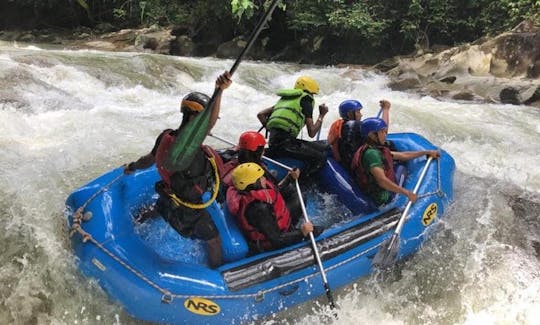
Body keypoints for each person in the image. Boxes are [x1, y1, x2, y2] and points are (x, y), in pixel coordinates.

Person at [123, 71, 232, 268]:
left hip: (168, 196)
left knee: (158, 210)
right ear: (193, 117)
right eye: (202, 118)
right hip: (187, 208)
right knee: (214, 240)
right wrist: (219, 91)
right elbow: (210, 123)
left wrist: (131, 167)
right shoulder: (187, 150)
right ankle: (217, 273)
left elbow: (148, 159)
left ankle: (133, 221)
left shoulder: (167, 136)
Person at [226, 162, 322, 253]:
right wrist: (302, 233)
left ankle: (292, 227)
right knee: (318, 230)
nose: (264, 179)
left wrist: (289, 178)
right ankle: (294, 232)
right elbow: (277, 240)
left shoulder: (252, 191)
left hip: (275, 221)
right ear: (252, 184)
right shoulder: (258, 209)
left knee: (300, 197)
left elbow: (275, 191)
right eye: (260, 178)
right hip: (273, 240)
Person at [350, 117, 440, 206]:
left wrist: (426, 152)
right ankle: (395, 199)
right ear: (372, 135)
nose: (385, 134)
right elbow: (382, 181)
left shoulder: (372, 148)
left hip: (373, 190)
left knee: (397, 164)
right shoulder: (371, 154)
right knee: (401, 169)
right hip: (382, 197)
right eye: (382, 132)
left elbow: (402, 155)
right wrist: (407, 193)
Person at [220, 131, 303, 223]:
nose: (264, 151)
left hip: (232, 197)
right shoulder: (254, 173)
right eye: (262, 149)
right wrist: (289, 178)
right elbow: (274, 192)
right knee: (300, 197)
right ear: (257, 152)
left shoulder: (233, 158)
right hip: (257, 212)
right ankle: (291, 225)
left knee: (274, 174)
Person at [256, 76, 329, 176]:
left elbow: (261, 115)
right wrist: (321, 115)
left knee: (320, 147)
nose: (312, 96)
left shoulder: (286, 99)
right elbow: (312, 132)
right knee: (320, 158)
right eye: (313, 93)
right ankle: (302, 180)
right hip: (286, 145)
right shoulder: (306, 100)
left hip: (274, 142)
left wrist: (272, 128)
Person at [328, 99, 392, 168]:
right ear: (350, 114)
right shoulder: (356, 125)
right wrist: (386, 109)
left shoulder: (339, 124)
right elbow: (383, 131)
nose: (361, 115)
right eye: (358, 112)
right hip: (355, 165)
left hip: (344, 161)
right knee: (389, 147)